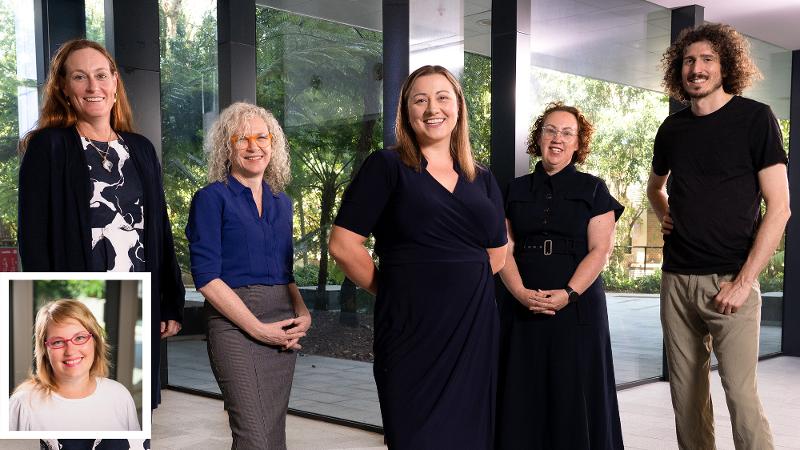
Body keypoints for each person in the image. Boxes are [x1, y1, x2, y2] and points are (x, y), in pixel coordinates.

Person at [328, 65, 507, 449]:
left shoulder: (482, 177)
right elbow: (343, 245)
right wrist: (393, 289)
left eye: (442, 97)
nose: (432, 108)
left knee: (470, 437)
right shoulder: (387, 166)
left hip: (474, 329)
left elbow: (498, 252)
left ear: (458, 106)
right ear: (406, 112)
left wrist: (463, 287)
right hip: (409, 328)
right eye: (419, 99)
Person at [16, 39, 185, 412]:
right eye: (80, 77)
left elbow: (158, 230)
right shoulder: (49, 146)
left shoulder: (140, 149)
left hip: (137, 308)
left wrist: (169, 302)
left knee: (128, 417)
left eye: (100, 75)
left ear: (114, 83)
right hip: (79, 308)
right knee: (72, 416)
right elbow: (33, 242)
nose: (93, 87)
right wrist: (53, 313)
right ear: (63, 87)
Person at [647, 23, 789, 449]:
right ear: (679, 70)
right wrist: (665, 213)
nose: (697, 68)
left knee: (741, 397)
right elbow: (655, 187)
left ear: (726, 65)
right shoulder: (672, 129)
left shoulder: (755, 119)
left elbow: (780, 208)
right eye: (689, 60)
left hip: (731, 280)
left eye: (708, 59)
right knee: (686, 399)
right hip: (677, 280)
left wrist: (745, 282)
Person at [495, 102, 624, 449]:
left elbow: (600, 250)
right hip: (520, 300)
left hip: (578, 307)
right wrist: (520, 292)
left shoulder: (595, 190)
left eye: (567, 133)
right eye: (550, 130)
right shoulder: (513, 190)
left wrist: (569, 293)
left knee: (575, 389)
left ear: (579, 143)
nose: (557, 139)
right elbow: (502, 247)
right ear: (538, 136)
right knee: (521, 388)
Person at [185, 102, 311, 450]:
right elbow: (207, 278)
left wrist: (302, 312)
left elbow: (285, 272)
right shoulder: (211, 199)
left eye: (261, 137)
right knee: (252, 435)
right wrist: (258, 329)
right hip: (234, 323)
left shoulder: (281, 201)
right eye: (242, 139)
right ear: (228, 146)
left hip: (281, 317)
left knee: (272, 435)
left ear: (274, 143)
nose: (254, 146)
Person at [10, 299, 139, 431]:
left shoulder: (119, 396)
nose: (70, 351)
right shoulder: (23, 405)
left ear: (95, 341)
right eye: (58, 342)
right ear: (45, 351)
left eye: (79, 338)